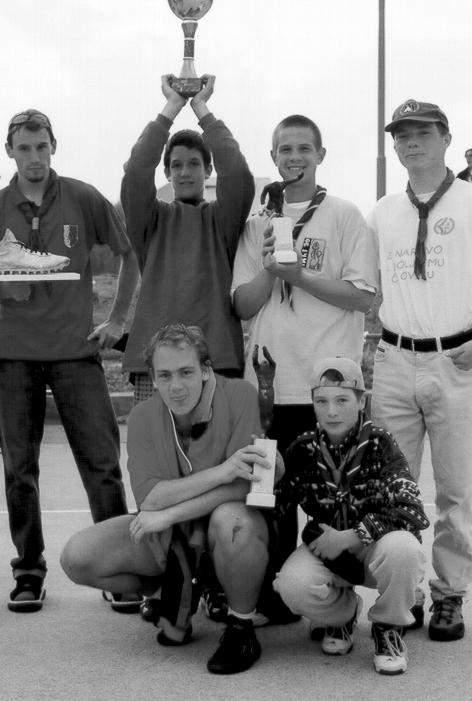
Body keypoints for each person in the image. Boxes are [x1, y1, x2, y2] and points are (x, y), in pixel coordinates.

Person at [60, 324, 276, 675]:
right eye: (165, 375)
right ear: (153, 379)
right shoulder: (144, 416)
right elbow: (151, 499)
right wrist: (221, 472)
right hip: (173, 535)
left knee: (233, 523)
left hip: (225, 528)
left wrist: (169, 514)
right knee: (77, 557)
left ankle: (241, 626)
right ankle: (165, 589)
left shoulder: (240, 396)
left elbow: (244, 488)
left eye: (186, 372)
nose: (176, 386)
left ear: (205, 369)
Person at [231, 114, 378, 598]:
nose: (294, 157)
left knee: (333, 501)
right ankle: (274, 597)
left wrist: (299, 276)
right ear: (273, 157)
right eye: (285, 149)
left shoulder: (344, 215)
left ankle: (331, 601)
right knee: (268, 498)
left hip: (327, 388)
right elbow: (243, 305)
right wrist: (271, 269)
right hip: (269, 387)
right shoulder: (258, 222)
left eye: (303, 149)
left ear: (320, 155)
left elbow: (362, 297)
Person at [0, 109, 139, 612]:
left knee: (102, 464)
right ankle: (29, 570)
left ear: (53, 146)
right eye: (24, 148)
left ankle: (116, 567)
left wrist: (117, 320)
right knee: (19, 468)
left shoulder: (82, 197)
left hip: (77, 354)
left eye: (41, 146)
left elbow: (129, 255)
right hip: (13, 357)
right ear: (10, 152)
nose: (34, 157)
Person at [368, 98, 472, 642]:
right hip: (394, 358)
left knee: (457, 489)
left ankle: (449, 594)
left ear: (446, 138)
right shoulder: (383, 212)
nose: (411, 142)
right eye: (401, 135)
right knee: (394, 484)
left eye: (423, 132)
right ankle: (403, 591)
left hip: (457, 361)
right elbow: (363, 281)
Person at [274, 357, 429, 676]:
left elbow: (412, 510)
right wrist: (273, 479)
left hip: (375, 549)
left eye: (342, 400)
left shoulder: (380, 443)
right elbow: (278, 509)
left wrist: (353, 536)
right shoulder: (303, 448)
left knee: (406, 550)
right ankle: (342, 615)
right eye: (322, 401)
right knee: (291, 584)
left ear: (361, 401)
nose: (331, 411)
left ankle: (388, 626)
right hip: (327, 551)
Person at [121, 75, 255, 405]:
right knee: (155, 440)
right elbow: (136, 171)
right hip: (156, 363)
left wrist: (202, 109)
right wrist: (171, 107)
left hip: (215, 360)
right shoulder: (150, 220)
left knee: (217, 440)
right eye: (176, 165)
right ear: (166, 173)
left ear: (209, 170)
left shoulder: (222, 220)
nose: (184, 172)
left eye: (194, 164)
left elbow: (237, 173)